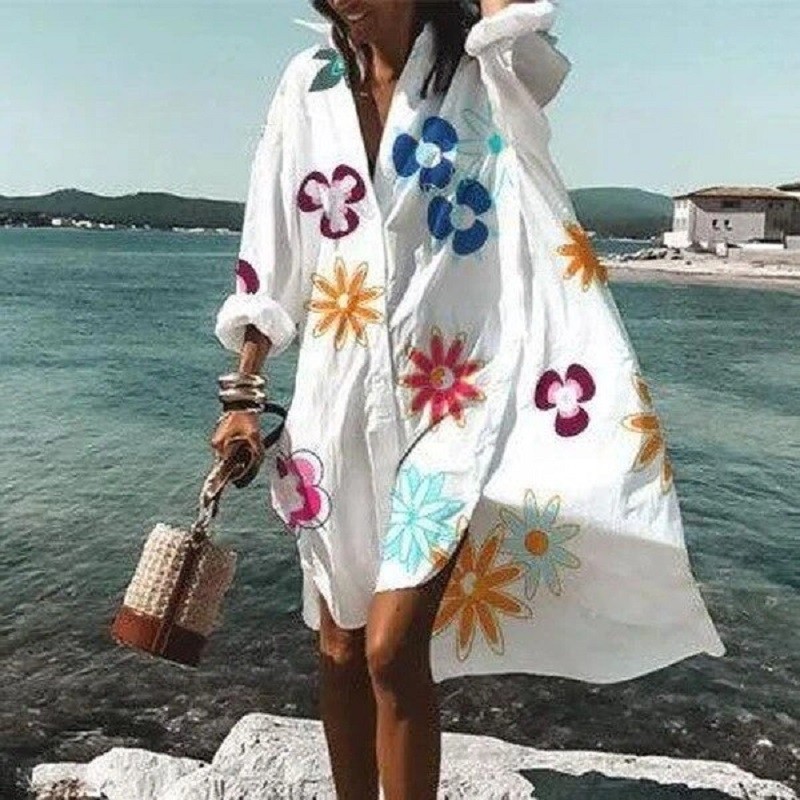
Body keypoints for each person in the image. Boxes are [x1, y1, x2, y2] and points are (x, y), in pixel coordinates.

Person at [210, 1, 725, 798]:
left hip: (454, 407)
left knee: (391, 648)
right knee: (340, 646)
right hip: (333, 411)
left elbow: (532, 40)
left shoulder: (487, 70)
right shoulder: (306, 86)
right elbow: (269, 249)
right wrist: (243, 394)